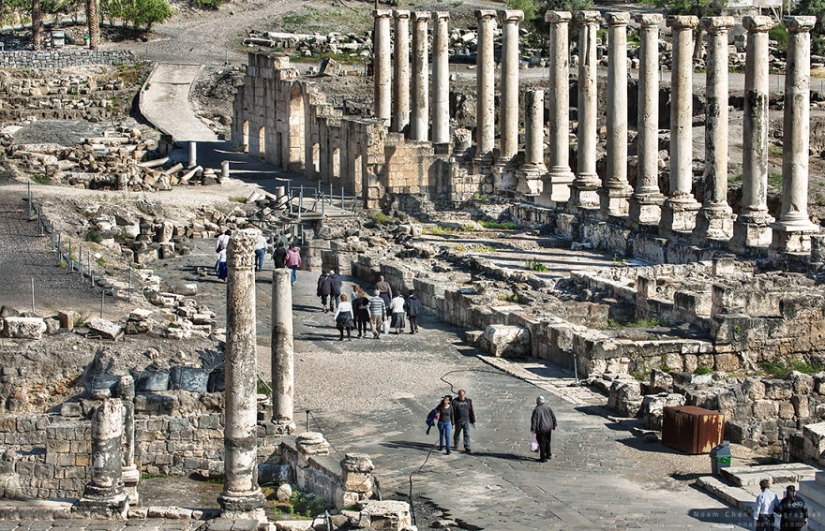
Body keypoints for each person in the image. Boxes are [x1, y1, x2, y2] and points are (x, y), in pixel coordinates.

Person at [530, 396, 557, 463]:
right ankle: (548, 454)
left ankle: (543, 458)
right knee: (548, 441)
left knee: (542, 443)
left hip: (541, 429)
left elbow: (534, 420)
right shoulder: (548, 407)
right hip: (548, 427)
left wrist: (533, 429)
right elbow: (553, 416)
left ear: (538, 401)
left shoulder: (536, 410)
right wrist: (554, 424)